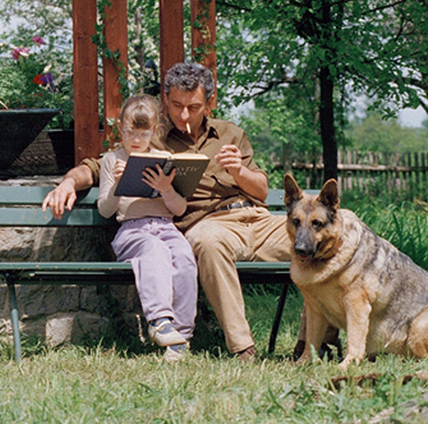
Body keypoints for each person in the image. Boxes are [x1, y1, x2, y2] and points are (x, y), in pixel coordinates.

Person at [43, 61, 290, 362]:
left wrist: (238, 170)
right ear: (165, 100)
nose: (184, 114)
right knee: (208, 244)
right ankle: (243, 349)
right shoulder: (152, 139)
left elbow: (262, 189)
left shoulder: (230, 133)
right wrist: (68, 182)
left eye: (194, 106)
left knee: (323, 241)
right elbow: (97, 167)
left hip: (256, 217)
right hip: (210, 224)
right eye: (176, 105)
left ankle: (316, 343)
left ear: (209, 102)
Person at [97, 93, 197, 363]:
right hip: (133, 231)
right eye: (130, 132)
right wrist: (119, 185)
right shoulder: (111, 160)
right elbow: (105, 210)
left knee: (185, 259)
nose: (136, 140)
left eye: (143, 133)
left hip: (166, 227)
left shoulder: (164, 158)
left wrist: (166, 189)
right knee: (153, 251)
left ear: (154, 131)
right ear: (120, 129)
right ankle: (160, 321)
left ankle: (181, 337)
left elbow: (179, 209)